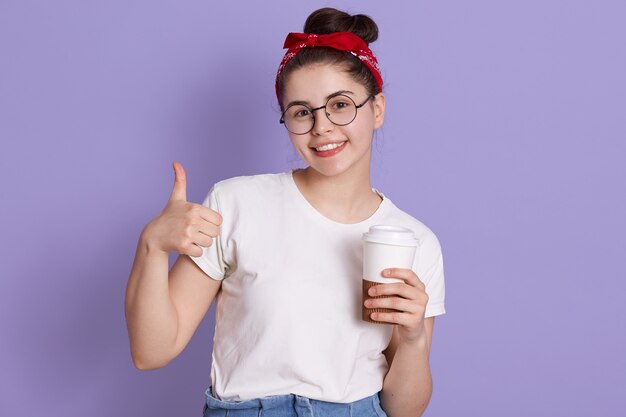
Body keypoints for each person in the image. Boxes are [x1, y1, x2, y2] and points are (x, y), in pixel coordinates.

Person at [124, 7, 446, 417]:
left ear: (377, 109)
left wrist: (414, 338)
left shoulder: (414, 241)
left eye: (341, 104)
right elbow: (151, 351)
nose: (322, 126)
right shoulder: (235, 204)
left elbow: (405, 411)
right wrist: (151, 244)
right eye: (301, 112)